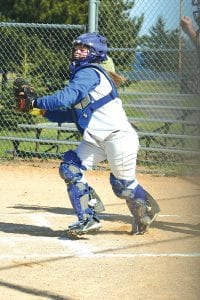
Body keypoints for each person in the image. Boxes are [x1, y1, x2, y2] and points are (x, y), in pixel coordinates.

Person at [14, 32, 160, 235]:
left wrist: (36, 101)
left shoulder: (90, 72)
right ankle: (88, 219)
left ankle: (147, 209)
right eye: (76, 48)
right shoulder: (85, 76)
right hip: (97, 140)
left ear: (96, 53)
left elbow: (66, 97)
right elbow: (67, 115)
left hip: (118, 137)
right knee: (70, 168)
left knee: (123, 187)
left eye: (84, 49)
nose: (78, 51)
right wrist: (35, 109)